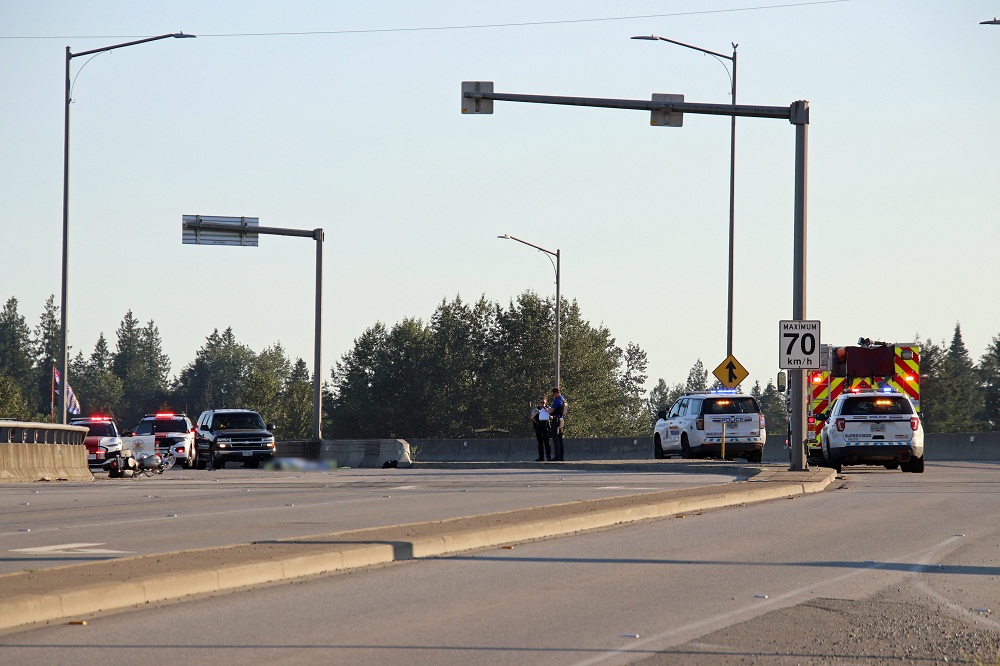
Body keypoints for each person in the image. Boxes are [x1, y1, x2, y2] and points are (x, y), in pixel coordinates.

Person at [547, 387, 566, 461]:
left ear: (556, 393)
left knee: (555, 439)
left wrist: (547, 410)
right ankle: (561, 457)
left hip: (556, 420)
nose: (553, 397)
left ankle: (556, 457)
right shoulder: (563, 399)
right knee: (560, 439)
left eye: (553, 395)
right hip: (562, 420)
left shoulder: (557, 400)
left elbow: (551, 411)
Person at [531, 396, 552, 461]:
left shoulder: (548, 408)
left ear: (546, 403)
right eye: (541, 402)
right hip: (539, 426)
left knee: (547, 442)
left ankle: (548, 457)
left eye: (543, 403)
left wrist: (547, 412)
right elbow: (531, 417)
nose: (542, 404)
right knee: (540, 442)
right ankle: (541, 457)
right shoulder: (537, 409)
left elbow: (552, 417)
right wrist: (537, 413)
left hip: (545, 426)